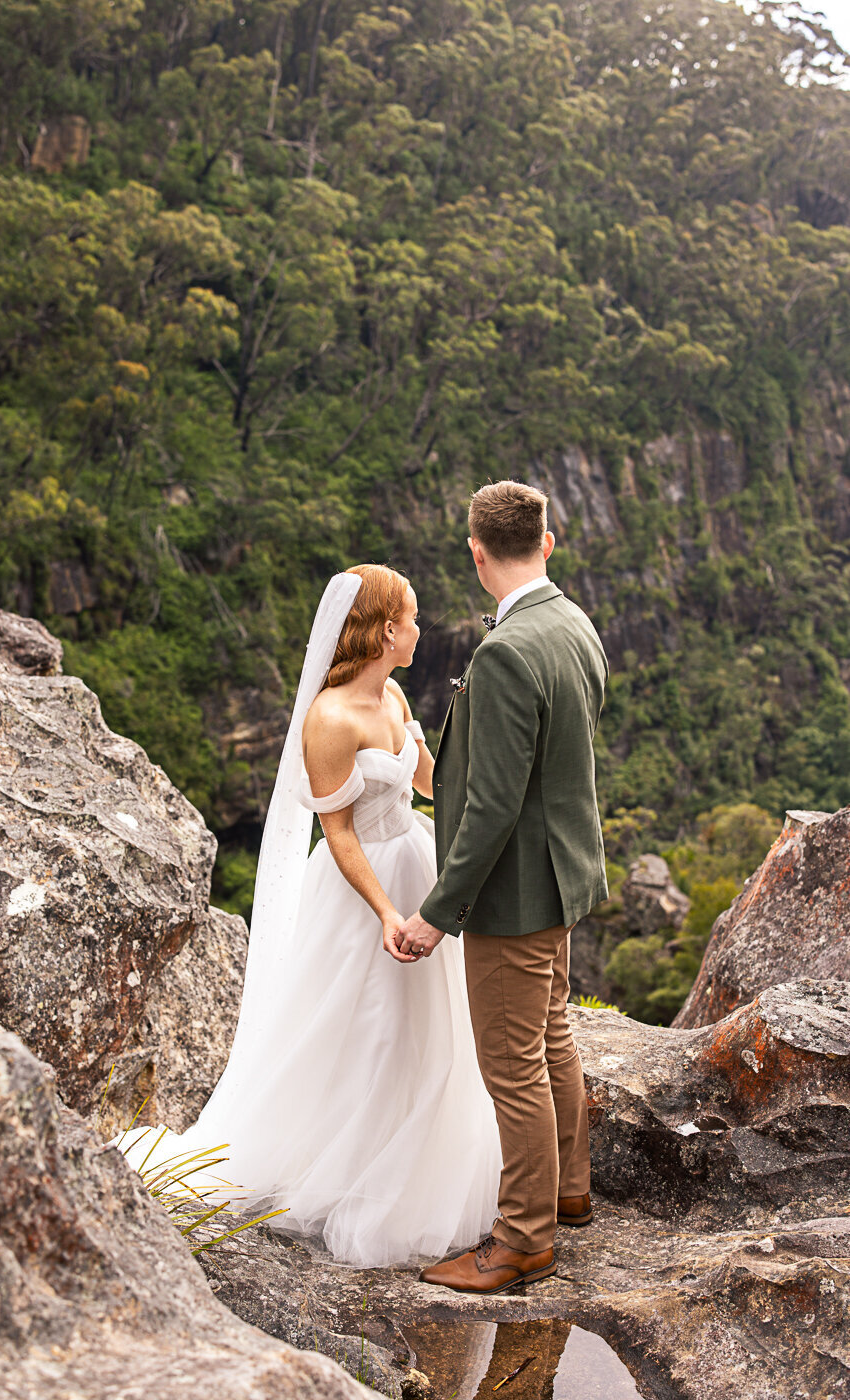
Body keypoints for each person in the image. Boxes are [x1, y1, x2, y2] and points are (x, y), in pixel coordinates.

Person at [115, 564, 501, 1268]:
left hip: (417, 859)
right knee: (369, 1030)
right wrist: (388, 912)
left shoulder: (393, 698)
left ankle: (406, 1165)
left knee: (430, 1031)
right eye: (412, 619)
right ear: (387, 630)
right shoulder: (328, 719)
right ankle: (345, 1175)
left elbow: (433, 783)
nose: (421, 630)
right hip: (363, 889)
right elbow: (341, 834)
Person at [396, 480, 609, 1295]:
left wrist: (437, 914)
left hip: (515, 892)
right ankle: (570, 1189)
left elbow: (489, 804)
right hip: (562, 876)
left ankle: (523, 1242)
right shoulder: (573, 624)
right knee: (551, 1034)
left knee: (511, 1064)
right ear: (547, 543)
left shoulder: (509, 651)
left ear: (478, 554)